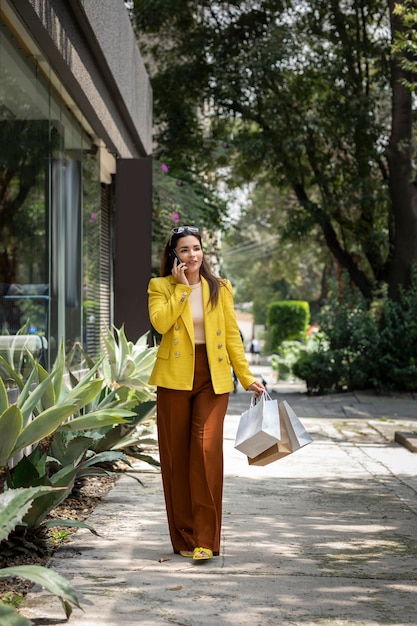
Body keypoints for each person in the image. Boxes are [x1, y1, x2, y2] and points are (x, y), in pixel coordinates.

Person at [147, 226, 265, 562]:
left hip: (212, 378)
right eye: (184, 250)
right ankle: (184, 536)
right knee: (175, 459)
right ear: (174, 256)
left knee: (205, 451)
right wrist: (182, 290)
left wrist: (246, 377)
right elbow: (160, 324)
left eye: (196, 248)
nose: (192, 255)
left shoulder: (220, 287)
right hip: (174, 379)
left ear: (203, 252)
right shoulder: (160, 287)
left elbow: (232, 337)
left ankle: (206, 539)